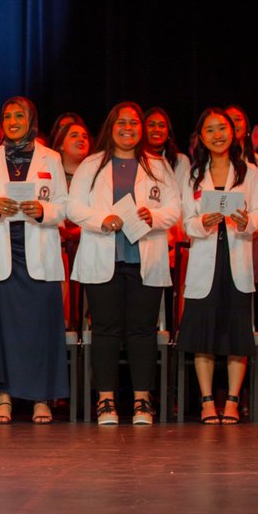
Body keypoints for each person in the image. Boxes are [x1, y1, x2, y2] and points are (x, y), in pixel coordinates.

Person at [68, 101, 181, 425]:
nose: (128, 128)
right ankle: (106, 401)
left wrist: (154, 216)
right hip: (103, 258)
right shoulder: (91, 165)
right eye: (121, 123)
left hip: (145, 259)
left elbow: (175, 208)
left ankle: (142, 402)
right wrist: (103, 218)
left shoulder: (158, 166)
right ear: (110, 127)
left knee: (142, 331)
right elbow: (73, 207)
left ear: (141, 129)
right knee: (104, 330)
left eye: (134, 123)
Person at [0, 98, 69, 424]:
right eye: (7, 116)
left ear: (31, 120)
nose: (13, 121)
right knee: (4, 331)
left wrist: (44, 211)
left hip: (39, 253)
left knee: (40, 328)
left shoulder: (51, 158)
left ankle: (41, 398)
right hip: (3, 253)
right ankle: (5, 396)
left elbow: (63, 205)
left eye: (19, 116)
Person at [177, 109, 258, 424]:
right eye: (210, 130)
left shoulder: (249, 172)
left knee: (236, 334)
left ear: (233, 133)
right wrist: (202, 222)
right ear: (201, 137)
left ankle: (232, 399)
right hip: (204, 259)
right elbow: (186, 221)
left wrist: (246, 221)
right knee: (203, 334)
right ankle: (206, 400)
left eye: (222, 128)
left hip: (237, 259)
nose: (217, 135)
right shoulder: (192, 175)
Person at [53, 120, 91, 246]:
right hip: (54, 244)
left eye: (85, 137)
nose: (81, 139)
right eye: (74, 135)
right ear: (61, 145)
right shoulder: (49, 176)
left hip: (87, 244)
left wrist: (81, 230)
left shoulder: (97, 177)